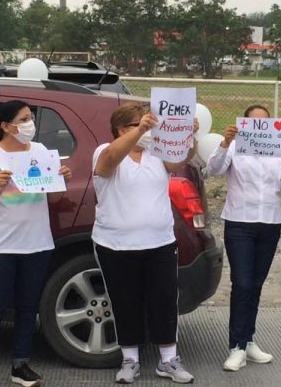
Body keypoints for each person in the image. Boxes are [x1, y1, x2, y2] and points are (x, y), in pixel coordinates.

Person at [0, 100, 72, 387]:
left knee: (27, 306)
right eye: (23, 119)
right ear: (6, 126)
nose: (29, 125)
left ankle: (20, 365)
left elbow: (53, 198)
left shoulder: (41, 152)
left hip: (36, 243)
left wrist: (61, 180)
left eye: (30, 118)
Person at [91, 103, 198, 384]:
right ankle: (130, 359)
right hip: (116, 244)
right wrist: (141, 129)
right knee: (126, 301)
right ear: (121, 129)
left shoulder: (156, 154)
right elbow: (111, 159)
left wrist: (189, 136)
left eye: (147, 124)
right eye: (138, 125)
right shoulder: (104, 151)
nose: (147, 130)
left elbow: (180, 160)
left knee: (164, 300)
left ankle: (168, 359)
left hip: (160, 242)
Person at [206, 105, 281, 372]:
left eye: (265, 121)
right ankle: (236, 346)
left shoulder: (278, 150)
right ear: (244, 123)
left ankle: (247, 340)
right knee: (243, 283)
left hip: (270, 223)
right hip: (239, 223)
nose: (260, 126)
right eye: (253, 121)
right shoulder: (235, 147)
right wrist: (225, 142)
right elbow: (213, 169)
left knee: (256, 284)